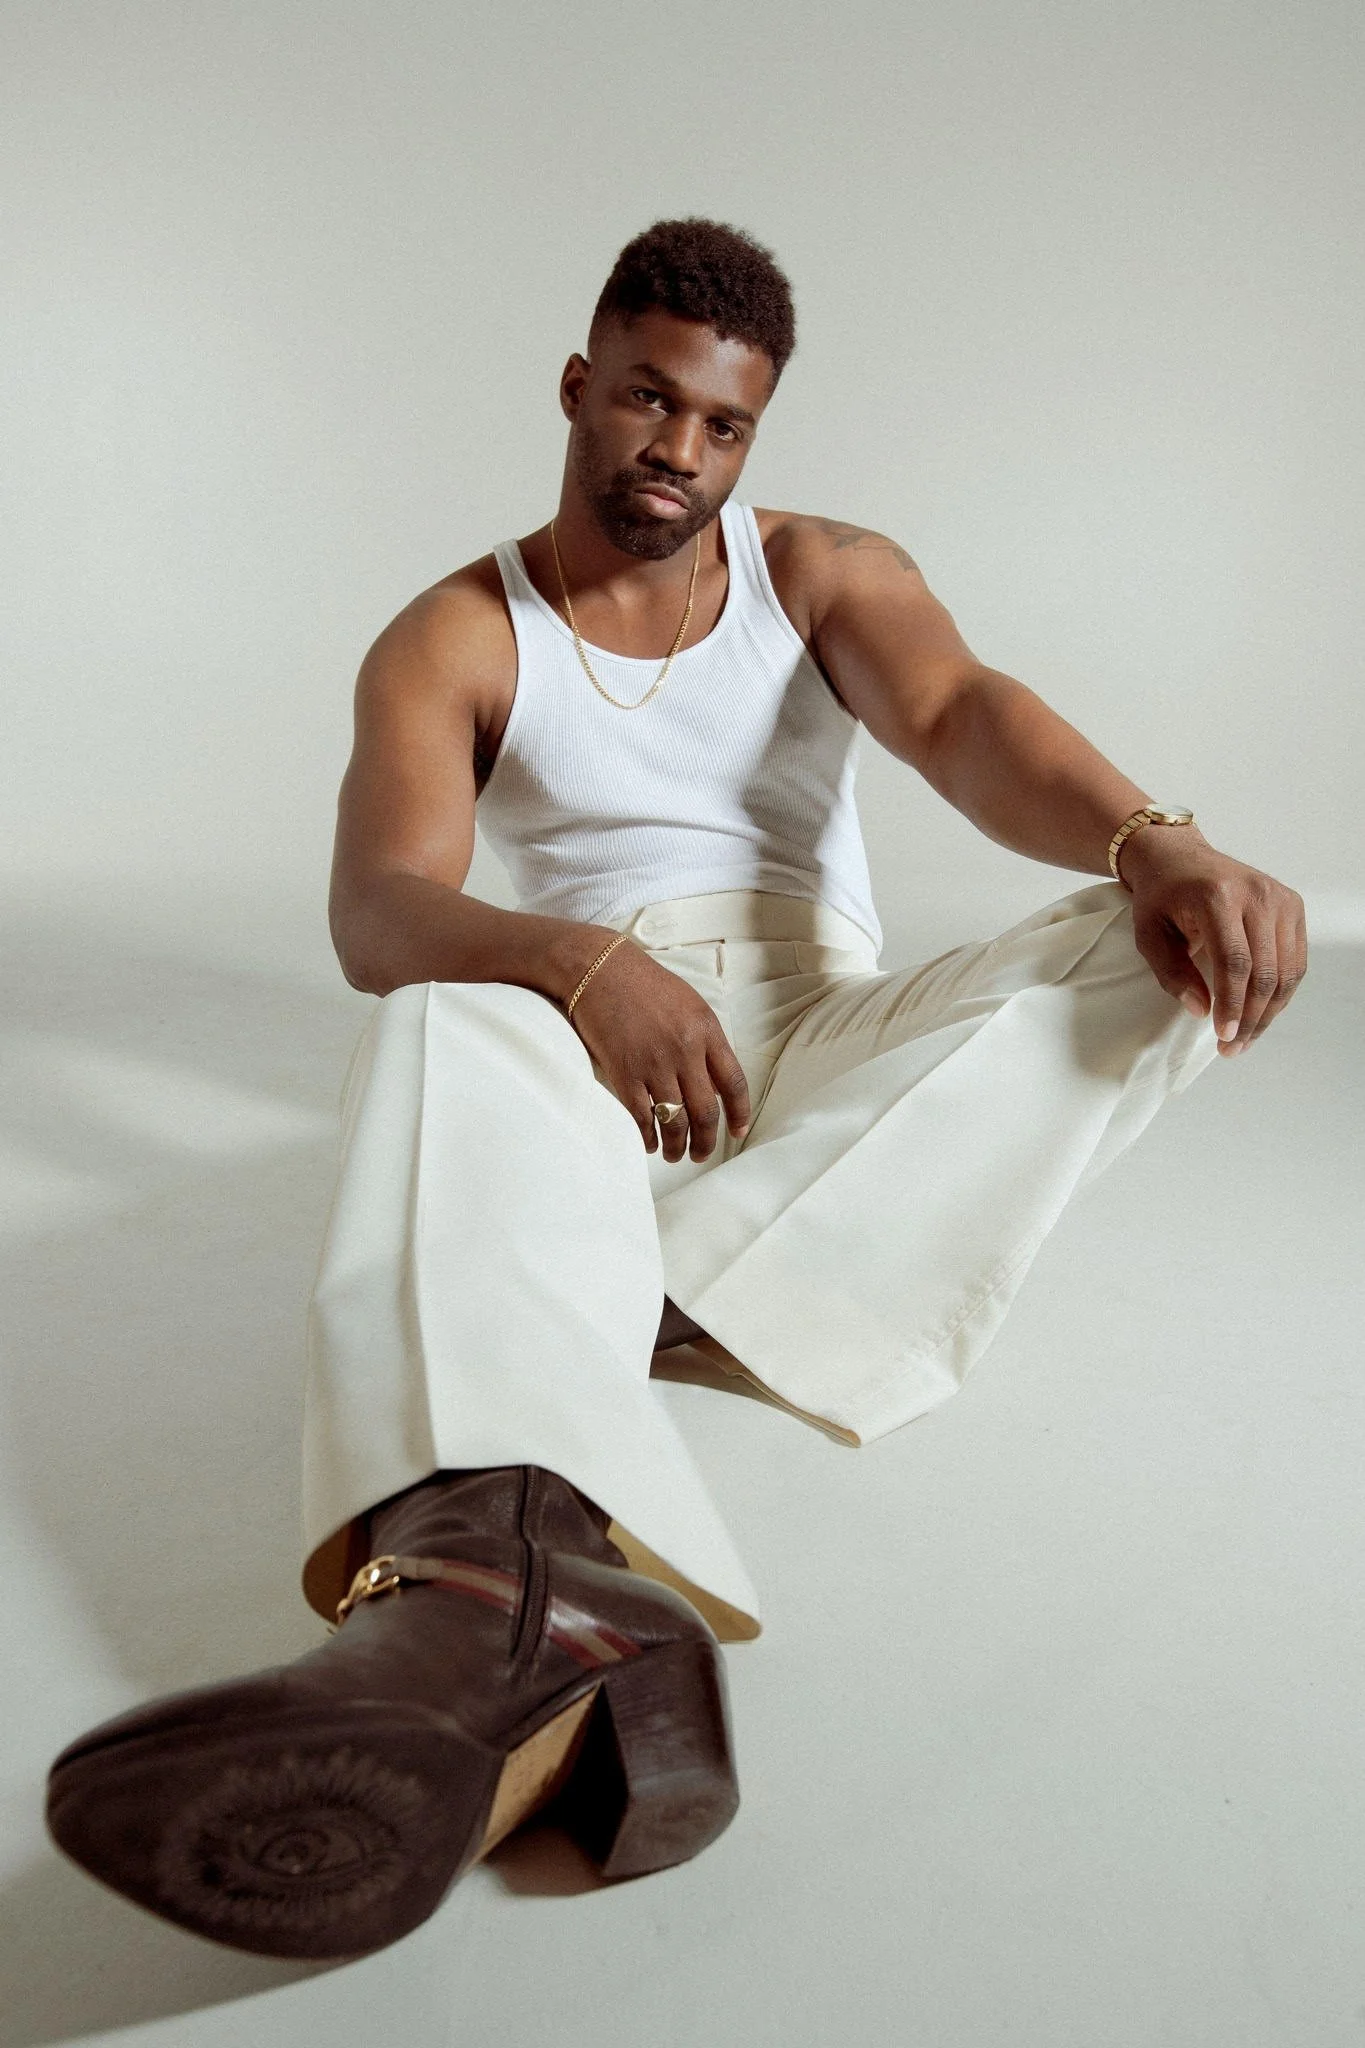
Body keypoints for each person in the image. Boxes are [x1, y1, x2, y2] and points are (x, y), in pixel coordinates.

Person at [46, 217, 1306, 1962]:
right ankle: (500, 1570)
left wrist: (1160, 839)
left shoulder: (822, 571)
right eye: (649, 401)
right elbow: (377, 909)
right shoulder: (454, 634)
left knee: (1148, 943)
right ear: (580, 386)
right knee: (431, 1016)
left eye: (724, 425)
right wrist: (579, 965)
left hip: (827, 1035)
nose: (681, 451)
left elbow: (959, 714)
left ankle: (627, 1302)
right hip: (606, 1059)